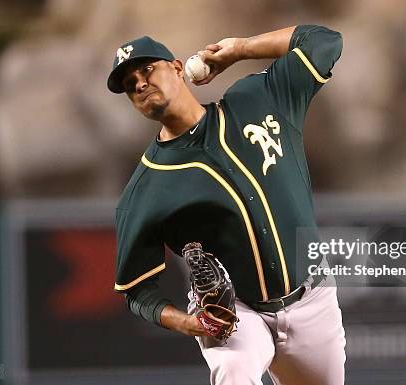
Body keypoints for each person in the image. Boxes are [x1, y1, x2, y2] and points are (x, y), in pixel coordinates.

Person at [108, 25, 345, 385]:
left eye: (146, 70)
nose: (139, 84)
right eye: (129, 85)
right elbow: (137, 291)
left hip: (312, 298)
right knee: (234, 372)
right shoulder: (146, 188)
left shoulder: (258, 99)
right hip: (237, 312)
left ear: (176, 67)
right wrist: (188, 323)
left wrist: (241, 49)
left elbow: (324, 41)